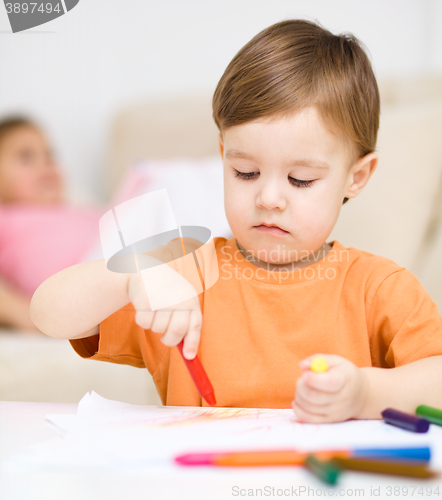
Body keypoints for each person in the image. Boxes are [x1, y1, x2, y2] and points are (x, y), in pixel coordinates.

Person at [30, 19, 442, 422]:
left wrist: (367, 394)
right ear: (224, 153)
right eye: (245, 172)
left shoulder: (378, 289)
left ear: (356, 178)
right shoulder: (183, 275)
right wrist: (131, 278)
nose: (268, 198)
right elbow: (47, 311)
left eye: (301, 180)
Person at [0, 117, 103, 330]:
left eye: (50, 156)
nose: (45, 165)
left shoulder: (77, 208)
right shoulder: (6, 218)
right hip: (90, 280)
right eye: (26, 157)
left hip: (121, 249)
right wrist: (26, 315)